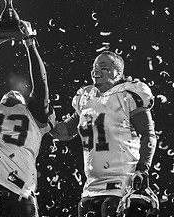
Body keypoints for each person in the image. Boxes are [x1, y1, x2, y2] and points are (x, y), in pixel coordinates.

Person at [50, 51, 159, 217]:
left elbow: (148, 135)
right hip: (91, 185)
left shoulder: (128, 94)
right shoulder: (86, 98)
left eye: (103, 67)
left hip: (122, 180)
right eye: (94, 67)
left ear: (118, 72)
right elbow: (65, 132)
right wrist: (45, 120)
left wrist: (142, 169)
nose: (96, 70)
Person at [0, 19, 55, 217]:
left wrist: (30, 43)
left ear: (27, 102)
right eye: (7, 93)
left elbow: (40, 84)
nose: (12, 92)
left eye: (19, 94)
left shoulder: (34, 116)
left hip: (19, 194)